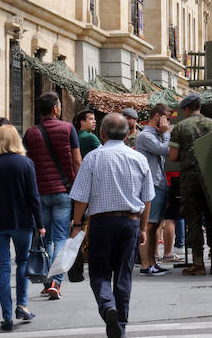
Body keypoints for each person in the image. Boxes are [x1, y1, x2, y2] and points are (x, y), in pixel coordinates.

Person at [69, 113, 154, 338]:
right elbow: (147, 200)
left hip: (102, 222)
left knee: (99, 272)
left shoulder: (93, 158)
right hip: (131, 222)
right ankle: (121, 326)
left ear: (102, 134)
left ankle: (108, 307)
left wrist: (77, 225)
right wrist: (143, 228)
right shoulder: (139, 159)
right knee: (124, 275)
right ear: (127, 134)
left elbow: (81, 198)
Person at [0, 124, 45, 331]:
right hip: (22, 221)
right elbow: (33, 197)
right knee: (23, 261)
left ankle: (6, 315)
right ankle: (22, 305)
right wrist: (40, 224)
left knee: (3, 267)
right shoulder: (26, 163)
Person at [23, 91, 81, 300]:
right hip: (63, 191)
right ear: (56, 108)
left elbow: (28, 162)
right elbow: (76, 160)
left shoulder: (30, 133)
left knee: (44, 236)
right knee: (61, 238)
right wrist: (78, 185)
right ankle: (56, 281)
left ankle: (48, 281)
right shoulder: (68, 129)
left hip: (39, 192)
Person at [169, 93, 212, 276]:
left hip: (190, 178)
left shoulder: (180, 127)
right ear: (199, 106)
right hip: (211, 177)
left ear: (186, 108)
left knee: (192, 219)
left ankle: (198, 264)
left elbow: (173, 156)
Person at [134, 103, 172, 276]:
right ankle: (145, 264)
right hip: (152, 185)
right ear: (158, 116)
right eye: (167, 118)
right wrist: (166, 133)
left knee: (154, 225)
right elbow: (166, 150)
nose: (168, 122)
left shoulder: (154, 135)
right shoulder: (145, 136)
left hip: (158, 183)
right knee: (148, 225)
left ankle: (152, 262)